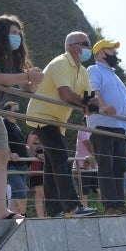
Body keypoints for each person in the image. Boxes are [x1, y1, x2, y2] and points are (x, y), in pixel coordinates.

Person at [25, 31, 97, 217]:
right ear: (72, 46)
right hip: (42, 116)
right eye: (86, 43)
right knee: (60, 158)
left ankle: (53, 210)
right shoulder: (60, 63)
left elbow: (89, 98)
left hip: (58, 121)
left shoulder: (82, 71)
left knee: (51, 164)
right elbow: (66, 94)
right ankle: (72, 206)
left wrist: (90, 104)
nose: (89, 48)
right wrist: (85, 104)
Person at [0, 15, 44, 219]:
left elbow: (26, 89)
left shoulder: (13, 59)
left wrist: (34, 79)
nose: (17, 37)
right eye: (13, 33)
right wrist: (26, 76)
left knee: (0, 160)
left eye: (19, 33)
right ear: (1, 34)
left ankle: (0, 211)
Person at [86, 39, 126, 215]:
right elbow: (94, 91)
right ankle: (109, 206)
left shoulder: (116, 77)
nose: (115, 53)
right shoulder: (94, 70)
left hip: (120, 128)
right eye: (111, 50)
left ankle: (119, 204)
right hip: (102, 125)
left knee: (119, 167)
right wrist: (104, 106)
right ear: (101, 53)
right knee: (106, 165)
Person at [3, 101, 31, 216]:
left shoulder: (16, 126)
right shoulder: (3, 123)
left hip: (22, 164)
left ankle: (14, 218)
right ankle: (24, 216)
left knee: (16, 193)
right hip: (10, 164)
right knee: (21, 190)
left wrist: (35, 155)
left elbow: (23, 145)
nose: (18, 113)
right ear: (7, 112)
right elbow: (1, 141)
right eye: (15, 111)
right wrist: (10, 154)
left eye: (18, 111)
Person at [27, 131, 46, 217]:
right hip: (37, 166)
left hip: (47, 166)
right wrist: (36, 140)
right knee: (39, 194)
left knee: (49, 193)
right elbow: (29, 150)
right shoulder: (32, 135)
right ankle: (41, 218)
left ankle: (50, 215)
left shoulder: (47, 133)